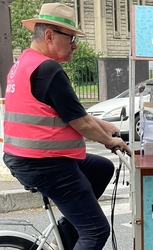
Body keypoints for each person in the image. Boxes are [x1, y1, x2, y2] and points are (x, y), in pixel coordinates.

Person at [3, 3, 131, 250]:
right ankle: (80, 231)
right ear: (50, 35)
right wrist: (110, 140)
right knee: (96, 231)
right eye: (71, 38)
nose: (75, 44)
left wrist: (104, 125)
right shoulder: (48, 69)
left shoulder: (24, 63)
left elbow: (71, 113)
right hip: (46, 164)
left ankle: (69, 231)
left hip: (26, 158)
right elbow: (80, 122)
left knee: (102, 168)